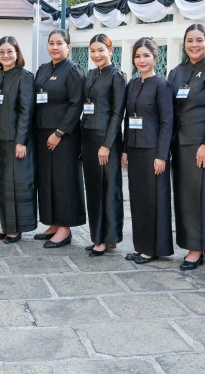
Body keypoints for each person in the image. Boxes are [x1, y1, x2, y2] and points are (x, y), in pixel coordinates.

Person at [168, 24, 205, 270]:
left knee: (203, 197)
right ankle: (195, 243)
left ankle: (197, 248)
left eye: (199, 40)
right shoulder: (176, 72)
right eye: (190, 40)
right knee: (185, 197)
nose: (194, 45)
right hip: (180, 145)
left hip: (203, 146)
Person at [122, 37, 174, 264]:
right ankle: (141, 246)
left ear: (155, 58)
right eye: (137, 56)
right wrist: (125, 149)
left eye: (146, 56)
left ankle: (153, 248)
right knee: (138, 199)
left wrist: (162, 155)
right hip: (134, 150)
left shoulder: (162, 85)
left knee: (154, 200)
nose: (141, 60)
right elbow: (128, 119)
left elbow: (167, 122)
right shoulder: (132, 84)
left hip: (153, 151)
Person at [33, 29, 86, 248]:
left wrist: (59, 132)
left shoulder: (73, 70)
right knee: (47, 180)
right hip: (41, 133)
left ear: (68, 47)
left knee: (63, 180)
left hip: (63, 136)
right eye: (51, 43)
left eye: (59, 43)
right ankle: (53, 222)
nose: (55, 47)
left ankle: (65, 228)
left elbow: (76, 104)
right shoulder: (43, 69)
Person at [0, 37, 37, 243]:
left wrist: (21, 141)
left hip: (15, 140)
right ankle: (5, 224)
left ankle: (15, 229)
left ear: (17, 53)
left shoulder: (25, 77)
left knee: (15, 184)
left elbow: (26, 111)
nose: (5, 55)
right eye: (1, 52)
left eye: (10, 51)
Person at [80, 34, 126, 257]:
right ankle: (99, 236)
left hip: (106, 140)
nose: (96, 55)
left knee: (108, 190)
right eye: (92, 50)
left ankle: (107, 238)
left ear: (110, 50)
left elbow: (118, 113)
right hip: (88, 138)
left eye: (100, 50)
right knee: (93, 190)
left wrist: (107, 145)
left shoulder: (117, 76)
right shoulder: (91, 74)